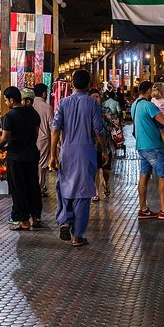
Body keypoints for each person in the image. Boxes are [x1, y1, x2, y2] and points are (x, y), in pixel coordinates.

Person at [50, 70, 108, 246]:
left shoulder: (62, 103)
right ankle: (77, 236)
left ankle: (66, 219)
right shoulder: (92, 104)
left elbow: (55, 130)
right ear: (89, 85)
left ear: (72, 84)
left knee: (65, 186)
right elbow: (99, 130)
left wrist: (53, 154)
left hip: (66, 151)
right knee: (82, 193)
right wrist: (104, 150)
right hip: (86, 152)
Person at [131, 80, 164, 220]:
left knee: (144, 176)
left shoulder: (135, 105)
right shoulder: (148, 105)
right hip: (154, 145)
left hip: (141, 146)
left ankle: (143, 209)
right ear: (148, 91)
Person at [0, 87, 42, 231]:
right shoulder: (33, 113)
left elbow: (5, 137)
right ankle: (34, 218)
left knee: (18, 188)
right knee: (32, 186)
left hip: (16, 156)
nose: (5, 103)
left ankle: (23, 220)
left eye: (5, 100)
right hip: (31, 154)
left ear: (12, 100)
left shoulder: (10, 116)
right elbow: (36, 135)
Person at [89, 89, 112, 202]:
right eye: (93, 97)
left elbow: (113, 127)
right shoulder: (87, 112)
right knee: (96, 170)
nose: (95, 99)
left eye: (97, 96)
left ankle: (106, 183)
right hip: (93, 146)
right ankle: (96, 193)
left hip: (106, 145)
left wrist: (109, 119)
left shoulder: (107, 110)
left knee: (106, 171)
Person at [32, 84, 54, 197]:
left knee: (33, 163)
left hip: (30, 139)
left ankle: (35, 187)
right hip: (43, 139)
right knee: (42, 164)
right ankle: (39, 188)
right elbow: (52, 127)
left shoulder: (30, 105)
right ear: (44, 93)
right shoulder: (47, 107)